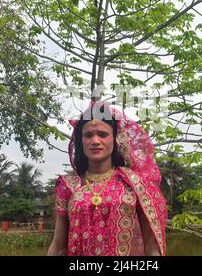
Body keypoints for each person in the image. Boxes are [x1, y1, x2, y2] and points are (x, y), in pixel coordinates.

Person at [47, 102, 167, 256]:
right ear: (81, 140)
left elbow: (151, 247)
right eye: (88, 135)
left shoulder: (135, 183)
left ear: (115, 139)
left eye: (103, 134)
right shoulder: (69, 186)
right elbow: (57, 247)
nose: (95, 141)